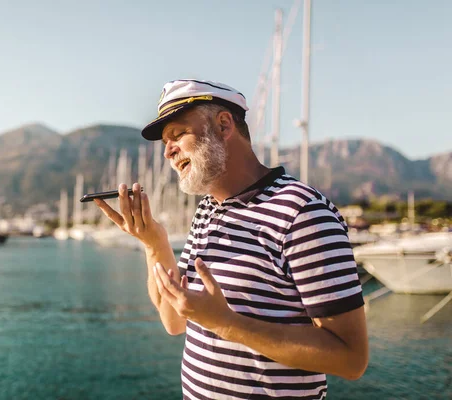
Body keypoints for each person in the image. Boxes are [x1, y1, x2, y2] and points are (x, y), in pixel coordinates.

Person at [94, 79, 368, 399]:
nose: (168, 151)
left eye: (178, 134)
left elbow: (351, 359)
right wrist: (154, 243)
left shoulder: (303, 213)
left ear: (224, 125)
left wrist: (227, 324)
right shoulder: (208, 212)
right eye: (164, 142)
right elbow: (174, 320)